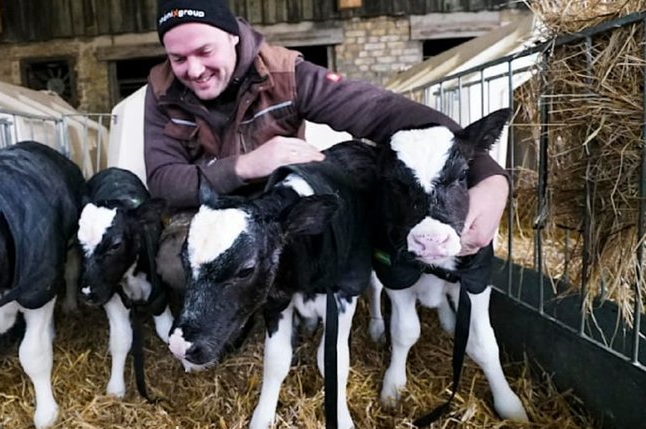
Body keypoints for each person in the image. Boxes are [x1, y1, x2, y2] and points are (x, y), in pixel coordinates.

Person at [143, 0, 509, 256]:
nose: (193, 70)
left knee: (320, 249)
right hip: (207, 208)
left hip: (280, 204)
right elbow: (163, 180)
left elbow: (386, 113)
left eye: (204, 51)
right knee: (176, 264)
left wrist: (491, 178)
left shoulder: (288, 74)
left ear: (233, 36)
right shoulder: (160, 92)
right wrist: (246, 165)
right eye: (178, 58)